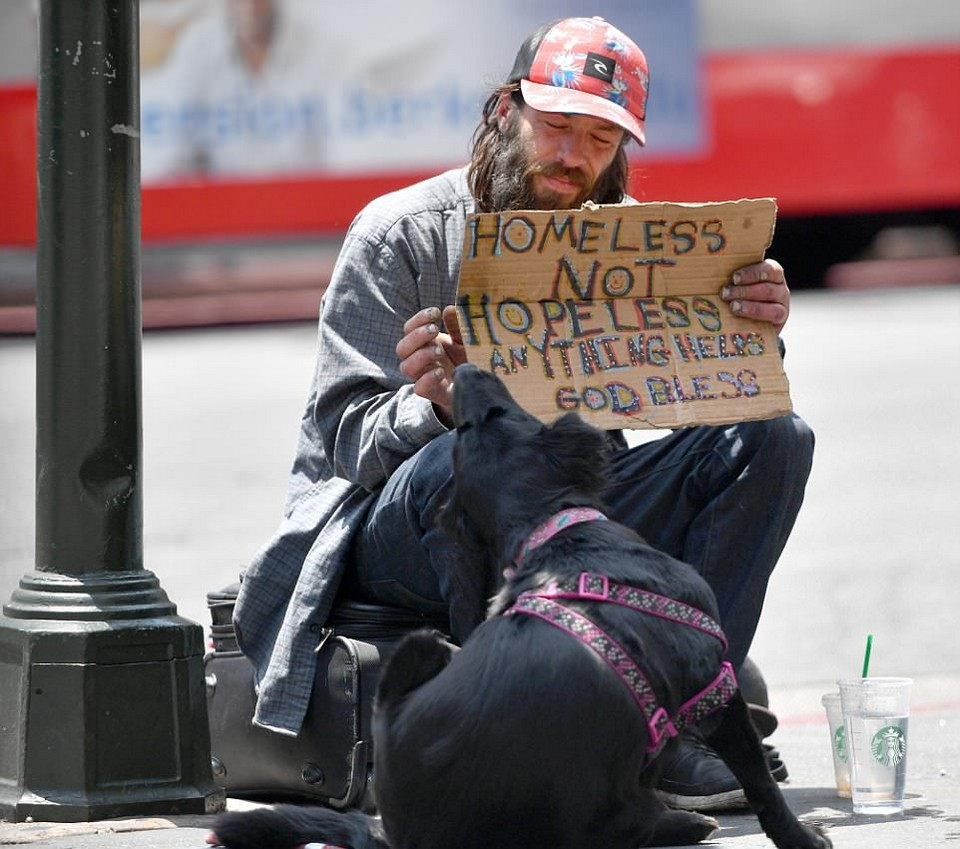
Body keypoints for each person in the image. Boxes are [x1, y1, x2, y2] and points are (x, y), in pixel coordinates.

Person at [234, 15, 815, 813]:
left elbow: (691, 402)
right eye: (557, 127)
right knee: (466, 453)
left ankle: (675, 725)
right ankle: (519, 728)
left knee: (775, 437)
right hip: (397, 528)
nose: (572, 158)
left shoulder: (626, 248)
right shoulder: (398, 233)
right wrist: (435, 404)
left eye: (600, 141)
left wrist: (748, 338)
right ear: (505, 110)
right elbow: (340, 448)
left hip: (562, 521)